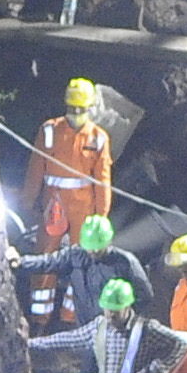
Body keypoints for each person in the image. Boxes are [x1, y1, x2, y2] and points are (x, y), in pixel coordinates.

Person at [33, 272, 168, 373]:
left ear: (127, 307)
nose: (110, 314)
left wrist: (160, 366)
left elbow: (178, 344)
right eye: (107, 309)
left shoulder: (147, 329)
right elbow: (69, 339)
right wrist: (31, 343)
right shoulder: (100, 327)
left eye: (115, 310)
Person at [27, 78, 113, 247]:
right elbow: (35, 170)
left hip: (83, 207)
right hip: (53, 202)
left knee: (82, 253)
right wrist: (28, 202)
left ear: (89, 107)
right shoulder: (49, 130)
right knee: (46, 253)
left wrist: (101, 215)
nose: (76, 112)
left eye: (80, 109)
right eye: (72, 108)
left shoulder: (98, 137)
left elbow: (103, 179)